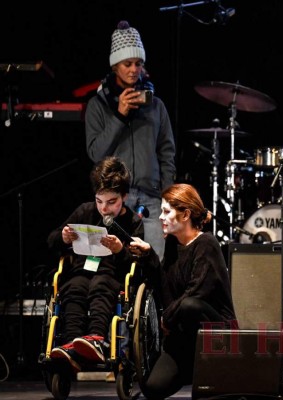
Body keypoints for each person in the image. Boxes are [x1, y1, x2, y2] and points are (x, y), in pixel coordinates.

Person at [129, 183, 238, 399]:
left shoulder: (207, 244)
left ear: (186, 214)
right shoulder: (173, 245)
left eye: (166, 211)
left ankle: (217, 371)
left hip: (216, 332)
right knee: (153, 389)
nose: (161, 217)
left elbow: (197, 293)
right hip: (184, 337)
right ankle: (193, 368)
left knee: (190, 305)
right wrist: (149, 256)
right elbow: (167, 292)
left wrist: (167, 319)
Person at [85, 20, 176, 261]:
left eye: (138, 63)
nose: (134, 69)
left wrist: (167, 197)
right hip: (114, 201)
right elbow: (96, 153)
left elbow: (167, 154)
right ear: (115, 66)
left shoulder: (156, 106)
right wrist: (119, 115)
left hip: (151, 199)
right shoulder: (98, 106)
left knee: (155, 265)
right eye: (128, 64)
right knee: (113, 267)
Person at [48, 156, 144, 372]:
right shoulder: (85, 211)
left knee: (100, 285)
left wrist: (120, 250)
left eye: (112, 202)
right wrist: (63, 238)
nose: (104, 208)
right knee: (74, 287)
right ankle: (72, 344)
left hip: (111, 276)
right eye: (100, 201)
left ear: (124, 197)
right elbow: (51, 240)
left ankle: (96, 339)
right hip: (81, 271)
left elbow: (136, 265)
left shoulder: (133, 223)